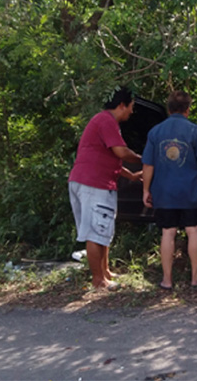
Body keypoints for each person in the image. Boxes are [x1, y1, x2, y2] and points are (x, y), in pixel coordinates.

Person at [68, 87, 142, 291]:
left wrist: (132, 175)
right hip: (94, 184)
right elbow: (121, 152)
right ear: (121, 105)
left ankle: (105, 272)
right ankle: (98, 281)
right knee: (95, 231)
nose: (132, 112)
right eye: (131, 107)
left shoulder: (102, 121)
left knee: (102, 230)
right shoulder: (107, 121)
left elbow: (111, 159)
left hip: (86, 181)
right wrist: (145, 160)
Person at [141, 90, 197, 290]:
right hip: (190, 190)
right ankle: (196, 278)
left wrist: (146, 190)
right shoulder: (195, 131)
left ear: (169, 108)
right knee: (193, 231)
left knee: (168, 233)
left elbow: (148, 165)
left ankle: (167, 280)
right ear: (188, 110)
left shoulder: (155, 132)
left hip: (164, 192)